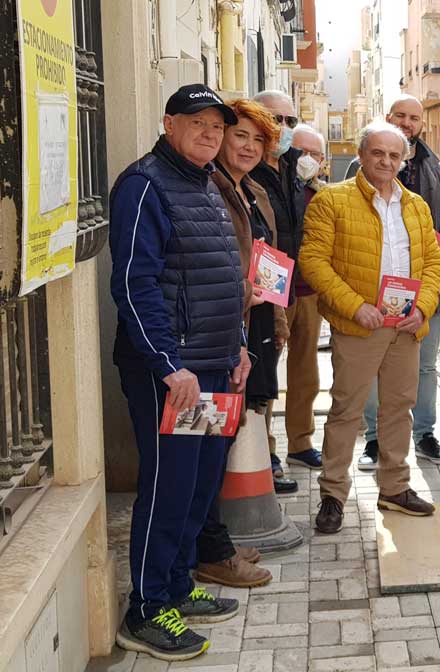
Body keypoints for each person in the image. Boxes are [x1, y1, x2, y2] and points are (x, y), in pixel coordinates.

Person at [108, 83, 250, 660]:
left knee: (196, 487)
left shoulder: (206, 184)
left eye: (217, 126)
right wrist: (170, 366)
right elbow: (133, 285)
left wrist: (238, 347)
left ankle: (175, 584)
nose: (210, 134)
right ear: (169, 124)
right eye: (198, 123)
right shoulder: (144, 185)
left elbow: (220, 282)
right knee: (167, 489)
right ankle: (144, 610)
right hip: (174, 375)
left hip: (214, 367)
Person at [300, 121, 440, 534]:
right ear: (361, 156)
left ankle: (394, 487)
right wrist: (354, 306)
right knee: (347, 411)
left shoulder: (416, 205)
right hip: (360, 325)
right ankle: (332, 494)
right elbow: (313, 261)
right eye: (377, 153)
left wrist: (424, 306)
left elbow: (433, 263)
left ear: (404, 159)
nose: (386, 161)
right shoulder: (332, 201)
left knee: (399, 408)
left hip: (406, 326)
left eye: (394, 155)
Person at [191, 97, 300, 591]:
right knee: (208, 440)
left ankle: (212, 541)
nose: (250, 147)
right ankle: (209, 548)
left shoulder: (252, 190)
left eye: (259, 140)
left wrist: (276, 318)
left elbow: (269, 258)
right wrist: (244, 300)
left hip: (252, 326)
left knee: (230, 430)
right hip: (218, 331)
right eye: (242, 136)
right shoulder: (209, 188)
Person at [350, 95, 440, 471]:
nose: (407, 122)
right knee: (373, 366)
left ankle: (425, 435)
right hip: (373, 285)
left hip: (424, 286)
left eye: (414, 117)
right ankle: (374, 440)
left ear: (421, 124)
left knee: (425, 366)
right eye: (400, 115)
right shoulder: (359, 166)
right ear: (387, 117)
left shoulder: (434, 168)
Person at [250, 90, 324, 476]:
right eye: (275, 119)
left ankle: (301, 442)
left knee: (306, 373)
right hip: (266, 290)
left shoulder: (295, 169)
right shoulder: (244, 167)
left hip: (304, 287)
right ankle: (265, 452)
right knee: (264, 373)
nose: (283, 128)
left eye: (290, 121)